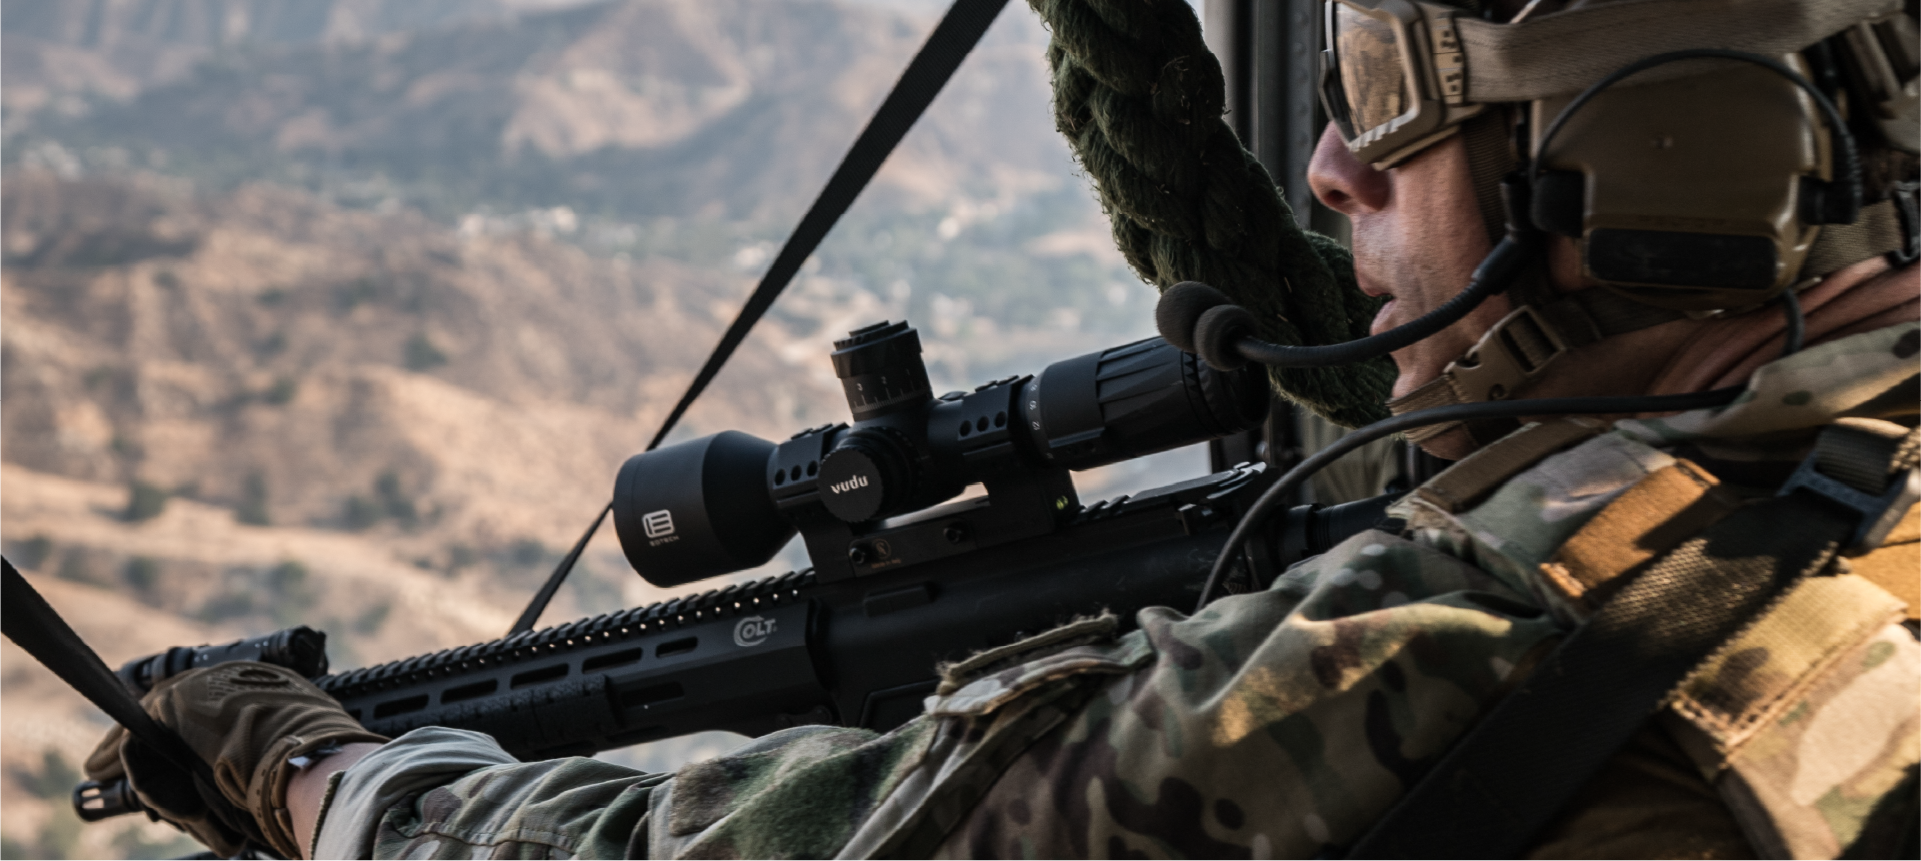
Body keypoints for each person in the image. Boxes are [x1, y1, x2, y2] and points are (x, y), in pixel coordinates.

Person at [88, 0, 1921, 859]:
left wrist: (312, 778)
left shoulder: (1482, 636)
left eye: (1396, 99)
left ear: (1675, 159)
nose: (1331, 165)